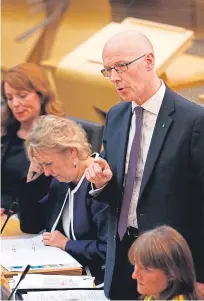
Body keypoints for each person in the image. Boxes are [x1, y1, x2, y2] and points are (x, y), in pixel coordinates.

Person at [85, 30, 204, 299]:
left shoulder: (194, 121)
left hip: (169, 267)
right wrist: (101, 183)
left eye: (121, 67)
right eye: (108, 70)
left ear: (149, 61)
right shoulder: (116, 115)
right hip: (123, 255)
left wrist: (201, 275)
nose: (114, 77)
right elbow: (121, 192)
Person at [18, 115, 108, 282]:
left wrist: (67, 243)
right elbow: (31, 226)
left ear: (71, 152)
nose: (46, 172)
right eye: (42, 165)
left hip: (94, 281)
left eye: (49, 164)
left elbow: (108, 250)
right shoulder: (61, 180)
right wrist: (31, 181)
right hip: (64, 272)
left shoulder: (99, 182)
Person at [1, 62, 64, 213]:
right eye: (9, 98)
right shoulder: (6, 131)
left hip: (30, 220)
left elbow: (52, 196)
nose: (15, 104)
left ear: (41, 95)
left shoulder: (58, 137)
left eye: (22, 96)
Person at [129, 225, 201, 300]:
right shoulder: (151, 296)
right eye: (135, 265)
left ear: (172, 273)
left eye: (146, 269)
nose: (134, 276)